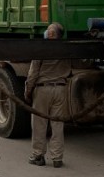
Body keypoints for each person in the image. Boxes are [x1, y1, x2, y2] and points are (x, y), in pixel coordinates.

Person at [24, 22, 70, 168]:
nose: (47, 32)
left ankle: (38, 155)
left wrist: (28, 92)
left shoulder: (41, 49)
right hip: (60, 89)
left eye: (49, 31)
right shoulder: (66, 49)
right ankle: (57, 158)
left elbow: (32, 74)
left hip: (43, 89)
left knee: (39, 124)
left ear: (50, 34)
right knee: (57, 125)